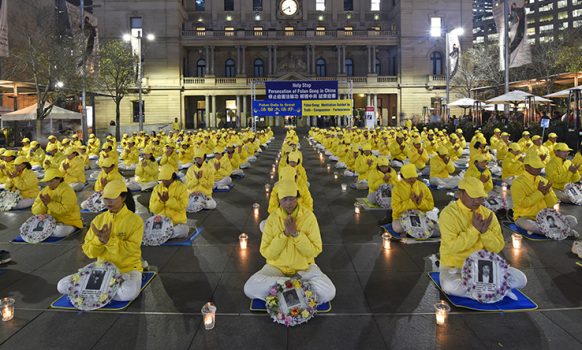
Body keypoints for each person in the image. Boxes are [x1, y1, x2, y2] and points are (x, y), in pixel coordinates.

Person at [244, 180, 336, 304]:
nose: (288, 203)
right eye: (284, 199)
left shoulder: (309, 217)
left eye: (292, 199)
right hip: (276, 268)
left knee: (329, 291)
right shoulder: (272, 219)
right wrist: (284, 234)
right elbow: (267, 253)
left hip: (304, 269)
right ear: (279, 200)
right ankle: (295, 287)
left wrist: (296, 234)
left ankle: (285, 289)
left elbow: (314, 251)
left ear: (297, 197)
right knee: (249, 287)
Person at [439, 177, 527, 299]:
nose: (477, 201)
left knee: (521, 279)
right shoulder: (448, 214)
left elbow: (498, 247)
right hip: (456, 266)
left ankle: (484, 291)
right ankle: (496, 291)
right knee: (450, 286)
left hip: (485, 266)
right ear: (461, 193)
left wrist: (485, 233)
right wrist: (474, 230)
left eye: (480, 197)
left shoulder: (488, 214)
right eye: (473, 196)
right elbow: (453, 247)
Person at [57, 180, 144, 302]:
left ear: (123, 197)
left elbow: (131, 250)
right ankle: (105, 290)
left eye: (112, 198)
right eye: (106, 198)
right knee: (62, 285)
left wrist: (109, 241)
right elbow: (89, 252)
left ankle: (99, 291)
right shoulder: (99, 220)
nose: (108, 202)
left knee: (128, 293)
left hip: (127, 269)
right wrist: (100, 241)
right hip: (103, 269)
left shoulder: (135, 220)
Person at [511, 154, 578, 235]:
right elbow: (523, 203)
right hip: (525, 217)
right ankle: (563, 231)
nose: (539, 169)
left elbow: (552, 203)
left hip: (544, 216)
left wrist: (547, 193)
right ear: (527, 166)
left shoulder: (543, 181)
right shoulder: (517, 183)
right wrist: (540, 193)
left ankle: (551, 230)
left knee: (573, 220)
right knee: (530, 226)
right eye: (536, 167)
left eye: (539, 167)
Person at [31, 169, 83, 237]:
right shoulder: (44, 191)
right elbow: (34, 211)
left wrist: (49, 203)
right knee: (31, 227)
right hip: (51, 221)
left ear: (59, 179)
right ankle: (48, 231)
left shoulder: (67, 190)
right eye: (47, 181)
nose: (49, 183)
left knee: (59, 231)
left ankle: (74, 226)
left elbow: (65, 210)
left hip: (68, 221)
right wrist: (44, 204)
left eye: (51, 181)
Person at [391, 164, 439, 236]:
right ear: (402, 176)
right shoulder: (396, 189)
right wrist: (411, 202)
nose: (412, 180)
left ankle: (411, 233)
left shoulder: (422, 186)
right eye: (409, 178)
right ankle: (416, 232)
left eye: (414, 177)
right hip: (402, 218)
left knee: (439, 230)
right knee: (397, 228)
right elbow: (396, 209)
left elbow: (430, 206)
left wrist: (420, 203)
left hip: (420, 217)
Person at [150, 164, 190, 238]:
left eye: (166, 179)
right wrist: (161, 202)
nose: (164, 181)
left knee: (184, 230)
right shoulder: (157, 188)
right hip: (161, 223)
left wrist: (168, 200)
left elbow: (182, 206)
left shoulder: (182, 187)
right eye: (162, 179)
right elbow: (152, 209)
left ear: (173, 176)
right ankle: (164, 234)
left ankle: (161, 235)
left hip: (176, 223)